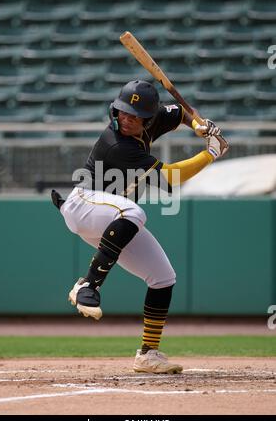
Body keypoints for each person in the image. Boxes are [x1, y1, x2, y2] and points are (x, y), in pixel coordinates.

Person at [51, 80, 228, 374]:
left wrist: (195, 124)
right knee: (135, 211)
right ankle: (88, 284)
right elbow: (170, 178)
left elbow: (182, 112)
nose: (126, 118)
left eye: (134, 115)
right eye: (122, 111)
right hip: (84, 205)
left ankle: (148, 355)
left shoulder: (153, 118)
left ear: (148, 118)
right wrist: (209, 153)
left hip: (110, 218)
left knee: (162, 277)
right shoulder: (117, 144)